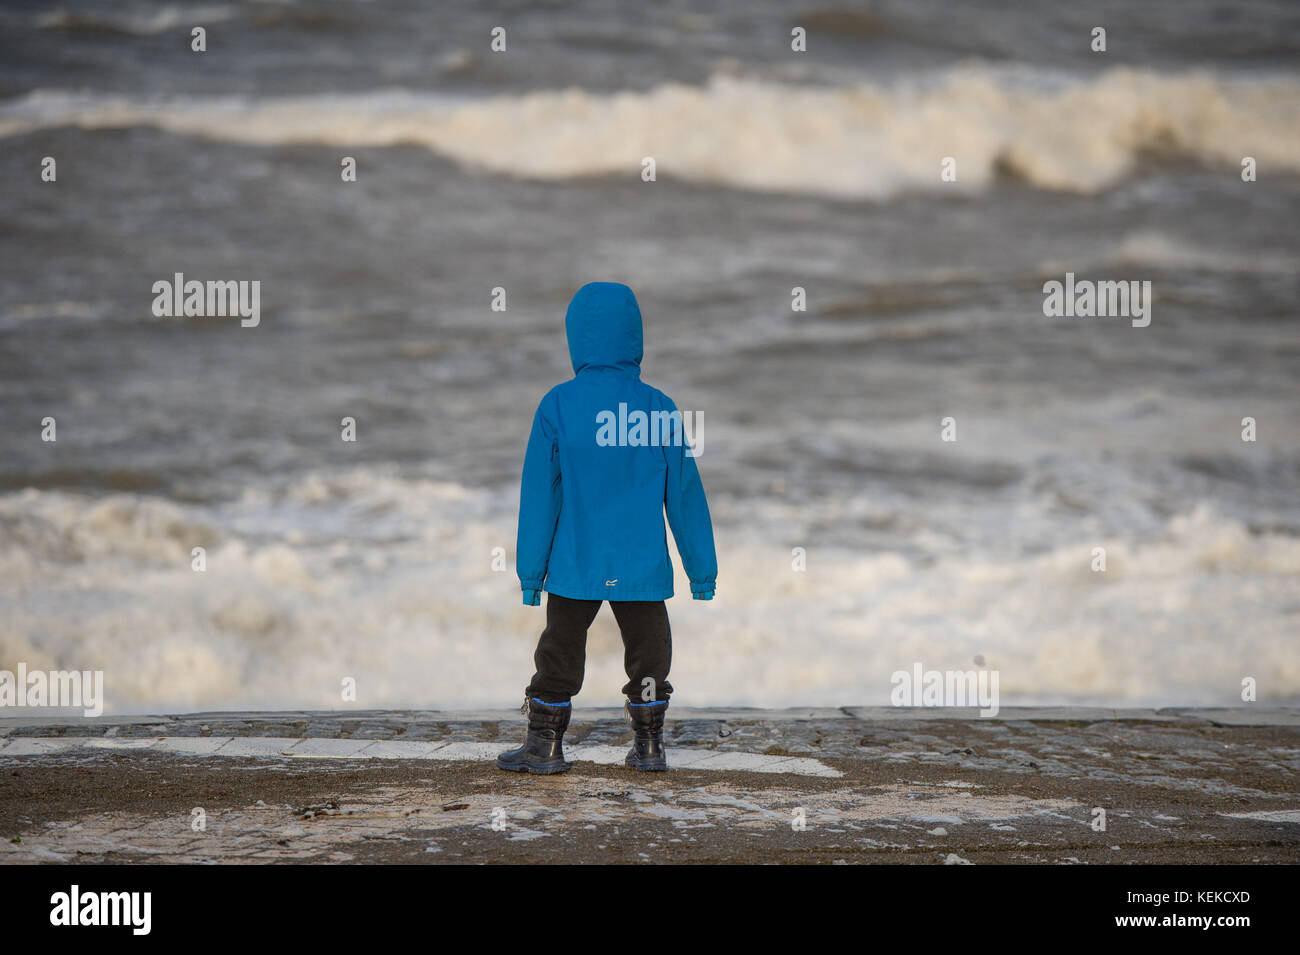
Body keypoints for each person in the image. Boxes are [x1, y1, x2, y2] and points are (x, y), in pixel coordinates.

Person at [498, 282, 717, 774]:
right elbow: (685, 496)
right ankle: (649, 746)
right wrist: (702, 572)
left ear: (576, 337)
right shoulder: (658, 407)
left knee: (559, 647)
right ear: (635, 336)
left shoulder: (557, 405)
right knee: (649, 651)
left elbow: (539, 498)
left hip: (576, 560)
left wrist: (531, 576)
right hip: (640, 565)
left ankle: (545, 746)